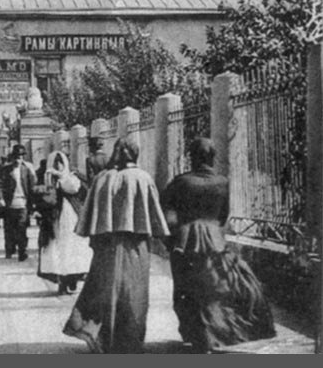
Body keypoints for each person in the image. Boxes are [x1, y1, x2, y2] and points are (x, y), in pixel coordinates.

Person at [160, 138, 275, 352]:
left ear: (192, 157)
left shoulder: (181, 182)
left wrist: (172, 237)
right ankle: (216, 334)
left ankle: (194, 334)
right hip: (215, 240)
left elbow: (165, 212)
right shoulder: (223, 182)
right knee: (214, 290)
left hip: (186, 241)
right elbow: (224, 216)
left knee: (186, 288)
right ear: (212, 158)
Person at [63, 137, 169, 353]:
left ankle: (102, 336)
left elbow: (89, 216)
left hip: (106, 246)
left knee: (105, 289)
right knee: (134, 293)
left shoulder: (102, 178)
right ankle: (130, 340)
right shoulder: (142, 178)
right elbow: (155, 216)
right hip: (135, 246)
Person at [36, 151, 91, 294]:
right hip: (55, 217)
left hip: (70, 216)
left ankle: (72, 278)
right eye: (56, 164)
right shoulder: (47, 176)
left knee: (71, 248)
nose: (58, 166)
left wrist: (61, 176)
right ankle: (62, 281)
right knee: (58, 249)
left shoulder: (72, 176)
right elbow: (41, 194)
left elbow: (74, 188)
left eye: (60, 164)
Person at [0, 144, 37, 261]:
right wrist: (0, 198)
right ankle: (9, 250)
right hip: (9, 203)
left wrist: (33, 203)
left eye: (21, 156)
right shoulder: (6, 170)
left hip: (23, 203)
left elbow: (32, 186)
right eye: (17, 157)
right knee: (9, 228)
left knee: (21, 228)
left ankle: (22, 252)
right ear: (13, 157)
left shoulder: (26, 170)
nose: (19, 159)